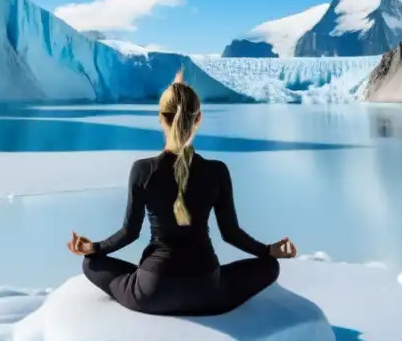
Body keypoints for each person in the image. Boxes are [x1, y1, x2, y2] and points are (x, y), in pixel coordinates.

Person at [67, 71, 297, 316]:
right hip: (206, 291)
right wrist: (268, 251)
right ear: (198, 119)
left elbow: (129, 233)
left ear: (160, 118)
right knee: (269, 267)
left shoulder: (143, 169)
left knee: (92, 263)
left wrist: (95, 247)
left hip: (152, 290)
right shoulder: (217, 171)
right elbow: (231, 234)